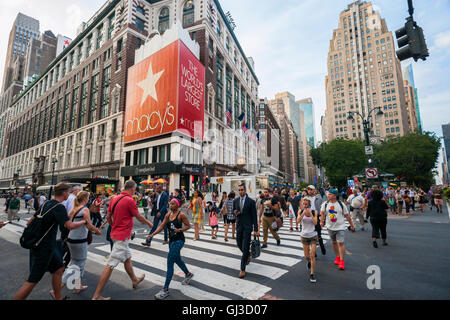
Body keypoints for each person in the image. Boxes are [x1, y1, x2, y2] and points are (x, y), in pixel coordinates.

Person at [13, 183, 88, 300]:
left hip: (44, 244)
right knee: (32, 280)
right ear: (64, 193)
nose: (68, 194)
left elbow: (30, 221)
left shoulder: (46, 203)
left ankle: (58, 298)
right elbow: (70, 225)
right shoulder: (59, 207)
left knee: (58, 269)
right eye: (68, 192)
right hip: (44, 247)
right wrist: (83, 222)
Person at [92, 180, 153, 300]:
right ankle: (96, 295)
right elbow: (138, 216)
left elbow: (108, 217)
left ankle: (135, 280)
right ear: (132, 189)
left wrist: (114, 226)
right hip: (122, 236)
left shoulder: (115, 198)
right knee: (110, 265)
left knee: (127, 258)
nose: (135, 191)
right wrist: (148, 223)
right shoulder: (129, 200)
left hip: (115, 234)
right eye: (135, 189)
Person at [49, 191, 102, 298]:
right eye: (88, 197)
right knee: (77, 264)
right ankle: (57, 289)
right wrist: (97, 230)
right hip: (79, 240)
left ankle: (78, 286)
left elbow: (69, 218)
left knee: (76, 262)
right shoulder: (84, 209)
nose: (89, 199)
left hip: (71, 239)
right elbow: (88, 225)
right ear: (85, 199)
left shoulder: (74, 209)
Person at [147, 199, 194, 299]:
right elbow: (162, 226)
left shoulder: (181, 215)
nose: (171, 205)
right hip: (171, 241)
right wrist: (152, 234)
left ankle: (165, 289)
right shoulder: (167, 215)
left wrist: (180, 229)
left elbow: (188, 226)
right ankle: (188, 274)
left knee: (170, 261)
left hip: (179, 241)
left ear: (177, 205)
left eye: (173, 204)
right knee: (177, 259)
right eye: (170, 203)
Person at [320, 189, 355, 271]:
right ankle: (337, 257)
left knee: (341, 243)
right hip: (330, 227)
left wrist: (352, 225)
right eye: (328, 194)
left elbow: (347, 216)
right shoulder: (325, 204)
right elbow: (322, 213)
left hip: (340, 227)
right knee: (334, 243)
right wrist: (321, 221)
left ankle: (342, 261)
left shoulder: (341, 204)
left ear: (335, 196)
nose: (328, 196)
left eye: (330, 194)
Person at [234, 184, 259, 279]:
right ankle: (247, 254)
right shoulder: (235, 200)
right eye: (239, 190)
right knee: (238, 244)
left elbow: (254, 216)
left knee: (245, 246)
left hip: (248, 228)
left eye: (242, 190)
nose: (240, 191)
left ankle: (242, 269)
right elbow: (233, 211)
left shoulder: (251, 202)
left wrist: (256, 229)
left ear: (245, 190)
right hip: (239, 226)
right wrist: (236, 213)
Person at [297, 198, 318, 283]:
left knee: (312, 255)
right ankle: (308, 261)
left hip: (313, 235)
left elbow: (315, 223)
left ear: (309, 205)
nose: (305, 206)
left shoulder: (314, 212)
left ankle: (312, 274)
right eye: (304, 204)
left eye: (307, 204)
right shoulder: (300, 211)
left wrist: (311, 215)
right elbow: (298, 221)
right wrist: (302, 214)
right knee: (306, 256)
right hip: (304, 236)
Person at [304, 186, 325, 255]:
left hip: (317, 215)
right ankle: (314, 252)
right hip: (308, 216)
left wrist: (322, 219)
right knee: (310, 234)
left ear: (314, 190)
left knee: (318, 233)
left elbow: (322, 209)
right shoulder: (305, 198)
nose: (309, 191)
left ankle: (322, 246)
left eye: (311, 189)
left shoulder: (318, 198)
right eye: (308, 189)